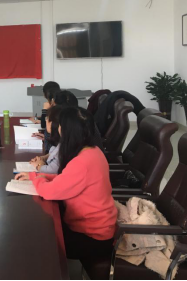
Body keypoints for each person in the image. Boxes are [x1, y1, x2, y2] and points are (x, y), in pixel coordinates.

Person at [15, 107, 117, 263]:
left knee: (35, 239)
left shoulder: (82, 162)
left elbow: (50, 192)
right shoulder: (93, 151)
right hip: (97, 229)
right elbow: (65, 179)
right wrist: (35, 176)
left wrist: (38, 178)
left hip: (92, 237)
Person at [30, 105, 63, 174]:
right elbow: (53, 153)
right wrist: (43, 158)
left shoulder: (64, 146)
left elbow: (52, 171)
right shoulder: (58, 141)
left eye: (47, 118)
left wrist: (39, 165)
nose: (46, 121)